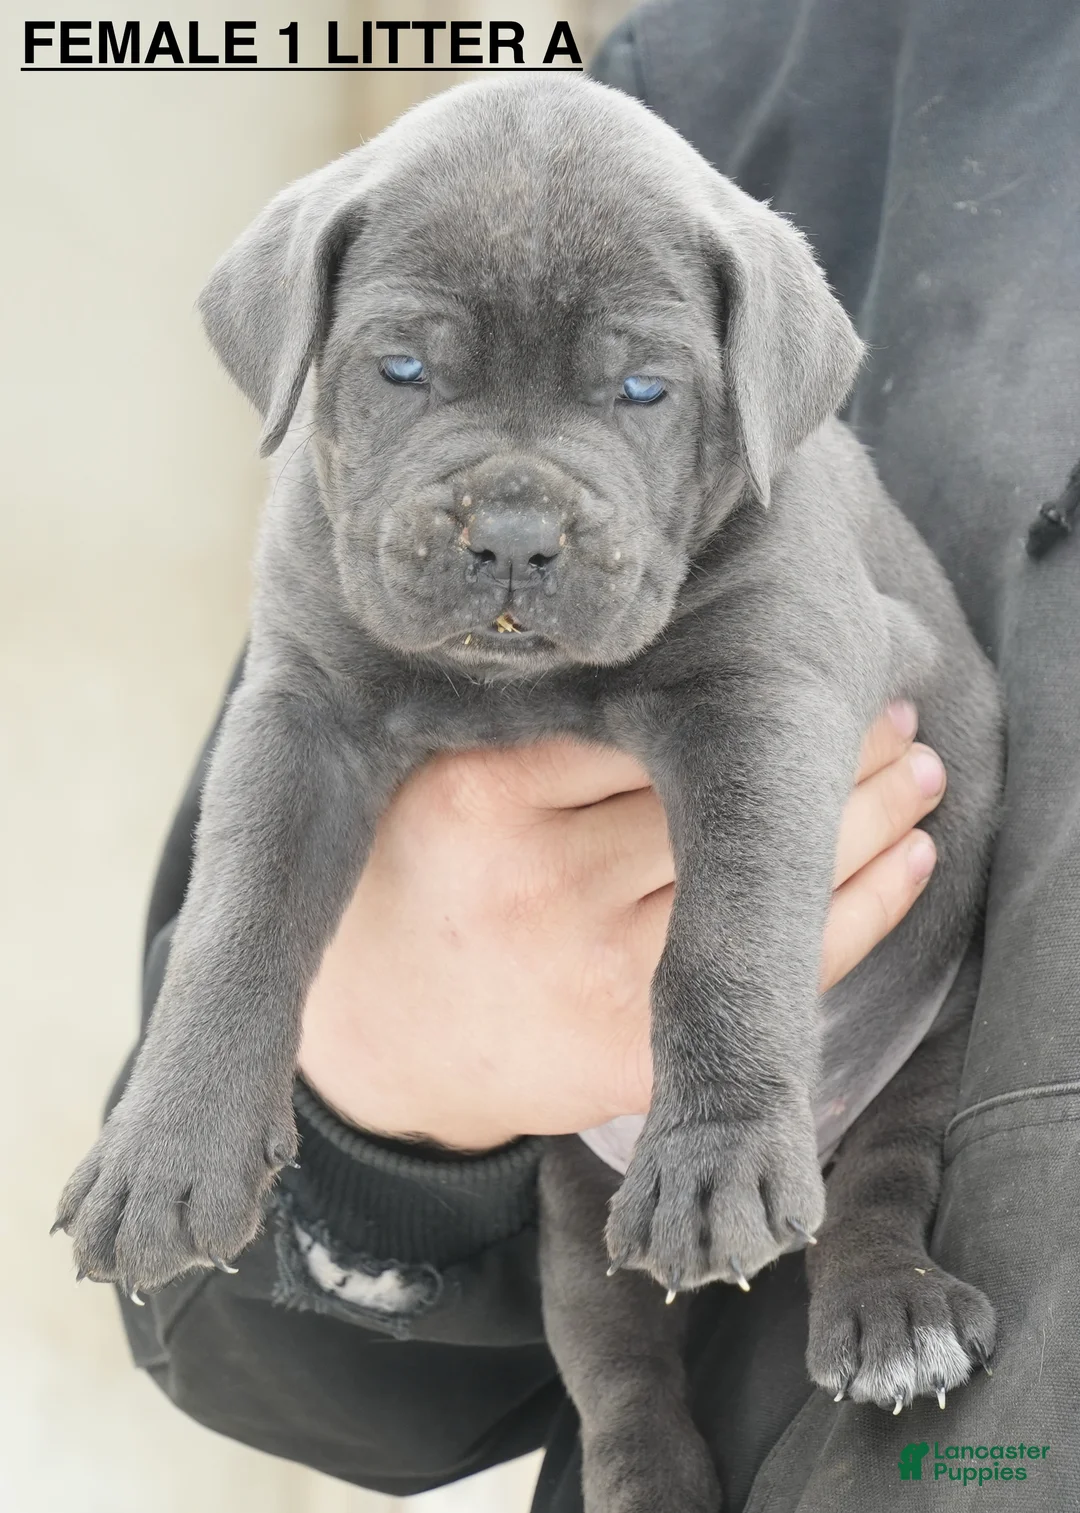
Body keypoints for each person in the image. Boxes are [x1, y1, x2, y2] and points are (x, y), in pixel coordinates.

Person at [106, 1, 1080, 1508]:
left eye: (638, 392)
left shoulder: (759, 421)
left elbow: (792, 711)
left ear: (752, 391)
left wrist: (728, 1090)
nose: (512, 518)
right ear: (301, 342)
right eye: (404, 374)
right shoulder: (721, 85)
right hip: (613, 1218)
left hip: (905, 1142)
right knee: (580, 1188)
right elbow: (242, 1346)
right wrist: (371, 1102)